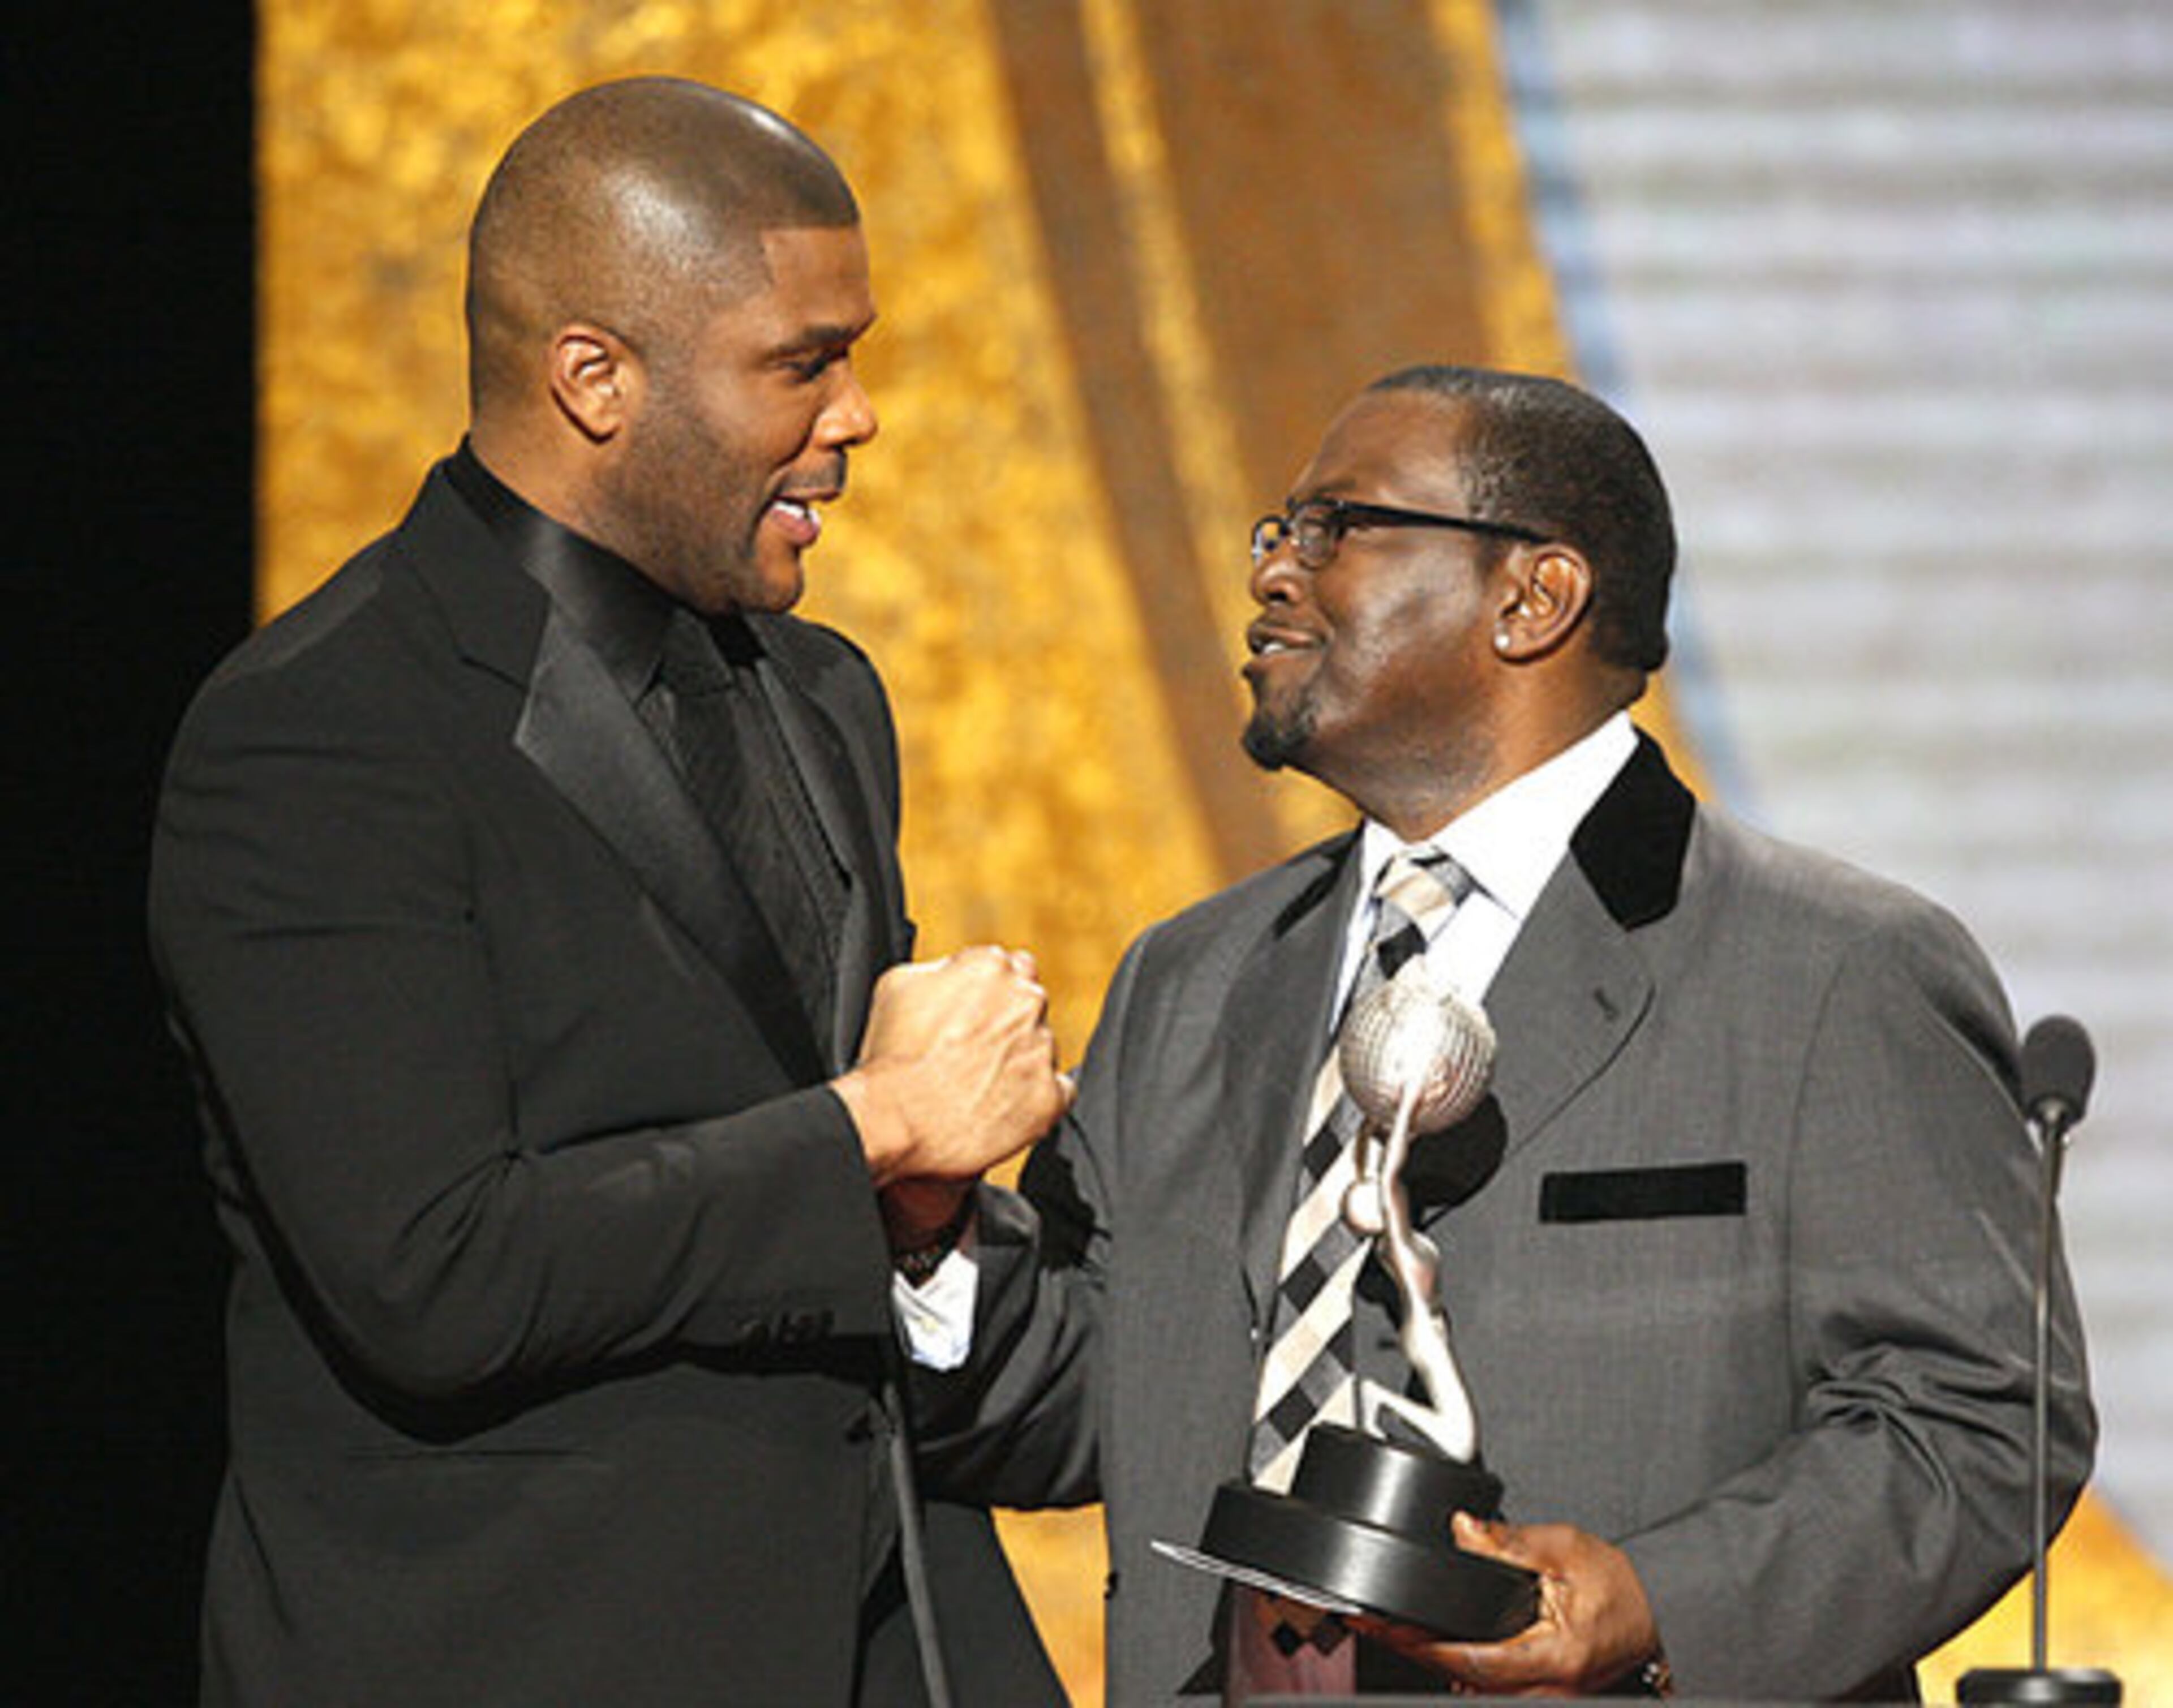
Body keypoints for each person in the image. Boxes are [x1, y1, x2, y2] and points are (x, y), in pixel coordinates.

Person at [907, 364, 2095, 1701]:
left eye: (1336, 527)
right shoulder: (1193, 978)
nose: (1275, 576)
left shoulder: (1833, 971)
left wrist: (1652, 1603)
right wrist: (926, 1224)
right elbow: (1079, 1410)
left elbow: (1978, 1424)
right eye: (1277, 533)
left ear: (1535, 598)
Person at [148, 78, 1070, 1708]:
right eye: (804, 362)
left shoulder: (826, 690)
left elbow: (821, 1194)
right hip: (520, 1648)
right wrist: (875, 1127)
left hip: (886, 1637)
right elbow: (436, 1268)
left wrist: (922, 1214)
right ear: (595, 379)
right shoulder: (323, 727)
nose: (856, 415)